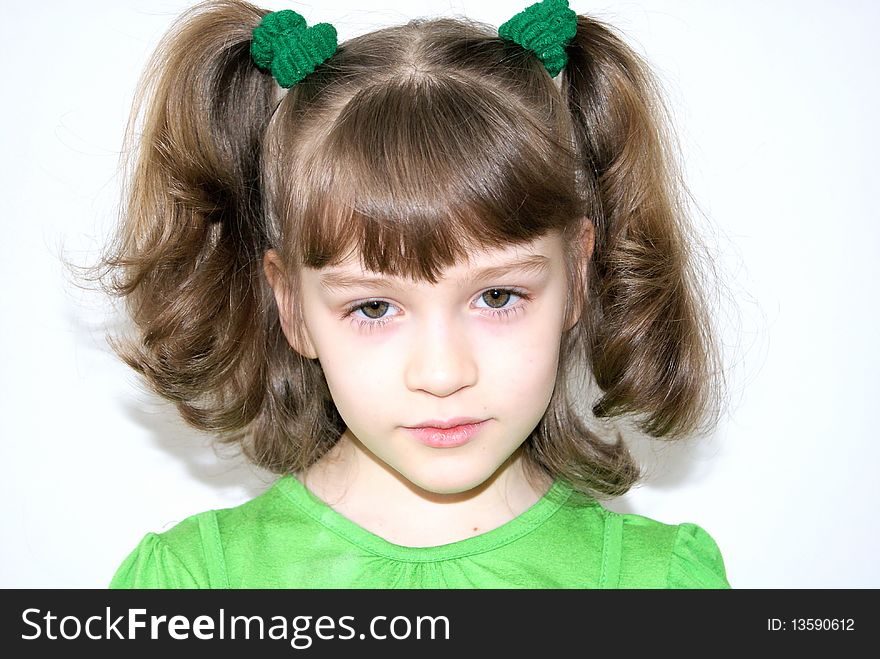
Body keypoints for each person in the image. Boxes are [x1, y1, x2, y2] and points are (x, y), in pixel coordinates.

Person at [97, 0, 731, 588]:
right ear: (292, 307)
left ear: (577, 278)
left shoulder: (659, 583)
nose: (442, 373)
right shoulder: (190, 583)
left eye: (499, 297)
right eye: (374, 307)